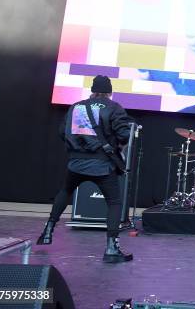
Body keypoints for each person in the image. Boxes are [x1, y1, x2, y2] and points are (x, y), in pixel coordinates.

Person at [37, 75, 134, 263]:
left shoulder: (76, 107)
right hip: (102, 166)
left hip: (76, 163)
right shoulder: (113, 108)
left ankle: (48, 230)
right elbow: (124, 134)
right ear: (110, 92)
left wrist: (76, 149)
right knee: (114, 202)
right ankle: (112, 248)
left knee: (65, 191)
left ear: (92, 90)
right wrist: (117, 147)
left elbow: (61, 132)